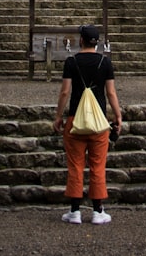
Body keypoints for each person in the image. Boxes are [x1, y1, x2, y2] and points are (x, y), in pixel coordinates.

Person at [53, 23, 123, 225]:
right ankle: (97, 210)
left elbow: (65, 92)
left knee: (75, 165)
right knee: (97, 165)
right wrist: (118, 116)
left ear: (81, 40)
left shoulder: (71, 61)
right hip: (99, 121)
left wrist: (58, 116)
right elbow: (111, 92)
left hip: (76, 119)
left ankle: (74, 210)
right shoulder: (105, 62)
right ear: (97, 42)